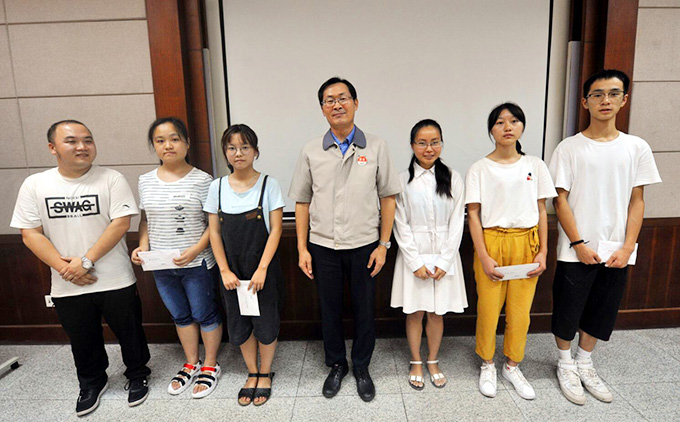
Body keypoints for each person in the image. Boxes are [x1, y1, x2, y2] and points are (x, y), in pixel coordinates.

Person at [10, 120, 151, 417]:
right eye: (72, 141)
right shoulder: (35, 184)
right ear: (53, 148)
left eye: (88, 140)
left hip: (115, 278)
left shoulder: (111, 179)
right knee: (82, 337)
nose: (82, 146)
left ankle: (138, 374)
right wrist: (65, 269)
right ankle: (91, 382)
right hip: (67, 282)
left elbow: (120, 223)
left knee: (130, 332)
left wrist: (86, 261)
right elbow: (30, 233)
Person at [549, 69, 661, 405]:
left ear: (624, 99)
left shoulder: (636, 147)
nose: (605, 101)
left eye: (613, 94)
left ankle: (585, 362)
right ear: (585, 102)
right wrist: (578, 243)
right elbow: (560, 200)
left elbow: (637, 200)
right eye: (597, 95)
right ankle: (565, 363)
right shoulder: (569, 148)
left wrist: (628, 246)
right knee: (567, 308)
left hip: (617, 248)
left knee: (603, 307)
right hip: (576, 248)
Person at [289, 76, 402, 402]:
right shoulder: (311, 150)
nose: (336, 104)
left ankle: (362, 366)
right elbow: (302, 201)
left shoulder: (376, 146)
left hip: (365, 244)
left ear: (355, 103)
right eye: (329, 100)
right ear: (322, 109)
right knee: (329, 309)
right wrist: (301, 248)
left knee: (365, 310)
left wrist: (383, 245)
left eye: (342, 98)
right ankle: (337, 364)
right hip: (323, 246)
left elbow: (388, 197)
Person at [465, 103, 556, 400]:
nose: (507, 127)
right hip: (491, 241)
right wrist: (483, 255)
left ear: (522, 127)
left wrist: (543, 252)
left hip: (526, 242)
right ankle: (488, 363)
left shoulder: (535, 165)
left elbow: (541, 210)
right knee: (488, 310)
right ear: (491, 129)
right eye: (500, 122)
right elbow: (473, 214)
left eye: (514, 121)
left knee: (520, 312)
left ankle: (512, 365)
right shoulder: (479, 168)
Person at [131, 117, 223, 398]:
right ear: (154, 146)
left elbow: (213, 224)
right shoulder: (145, 181)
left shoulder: (203, 179)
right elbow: (145, 220)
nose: (168, 145)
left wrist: (195, 249)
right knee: (180, 315)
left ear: (187, 143)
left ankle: (210, 365)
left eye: (174, 139)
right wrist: (142, 246)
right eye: (160, 141)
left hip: (198, 262)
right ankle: (191, 362)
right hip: (161, 263)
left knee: (204, 313)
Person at [205, 124, 285, 406]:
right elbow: (214, 233)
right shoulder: (216, 187)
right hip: (231, 271)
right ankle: (252, 371)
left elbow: (276, 230)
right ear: (225, 152)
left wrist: (262, 269)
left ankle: (265, 372)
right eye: (231, 148)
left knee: (266, 322)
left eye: (244, 147)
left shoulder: (269, 184)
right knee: (239, 323)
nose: (238, 153)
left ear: (255, 152)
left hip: (263, 267)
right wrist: (224, 270)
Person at [391, 119, 467, 390]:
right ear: (412, 145)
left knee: (437, 313)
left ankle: (433, 360)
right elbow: (400, 224)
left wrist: (445, 261)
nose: (429, 148)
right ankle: (415, 361)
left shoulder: (453, 178)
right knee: (415, 312)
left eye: (435, 142)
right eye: (422, 143)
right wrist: (415, 262)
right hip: (413, 255)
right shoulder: (402, 180)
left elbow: (457, 222)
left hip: (445, 255)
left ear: (441, 144)